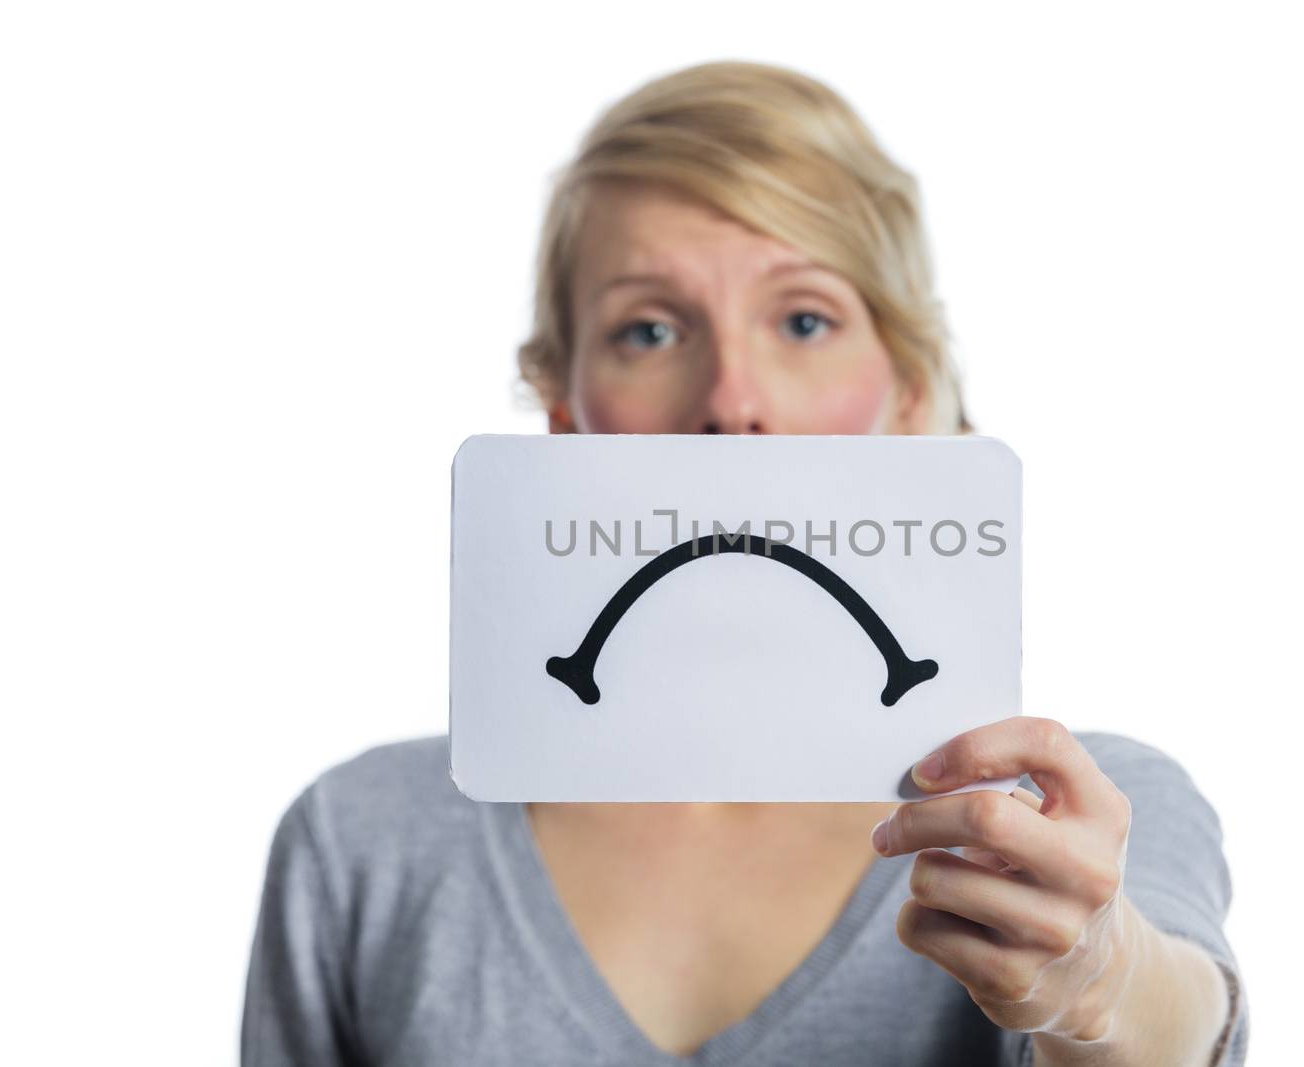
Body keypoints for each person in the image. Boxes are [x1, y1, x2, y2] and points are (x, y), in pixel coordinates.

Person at [242, 60, 1248, 1067]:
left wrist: (1105, 981)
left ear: (906, 390)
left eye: (805, 319)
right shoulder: (360, 840)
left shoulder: (1070, 816)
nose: (731, 399)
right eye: (648, 329)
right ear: (561, 409)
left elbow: (1178, 1017)